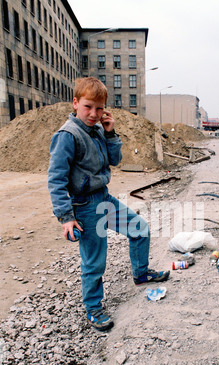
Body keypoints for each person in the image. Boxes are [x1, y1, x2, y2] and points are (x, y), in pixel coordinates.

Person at [48, 77, 170, 331]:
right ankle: (93, 309)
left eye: (99, 108)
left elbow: (114, 160)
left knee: (140, 229)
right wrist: (66, 217)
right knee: (95, 261)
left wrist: (111, 132)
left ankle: (141, 273)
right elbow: (56, 180)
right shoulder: (67, 136)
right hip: (84, 206)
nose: (94, 114)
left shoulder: (98, 129)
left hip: (103, 197)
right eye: (88, 107)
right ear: (75, 103)